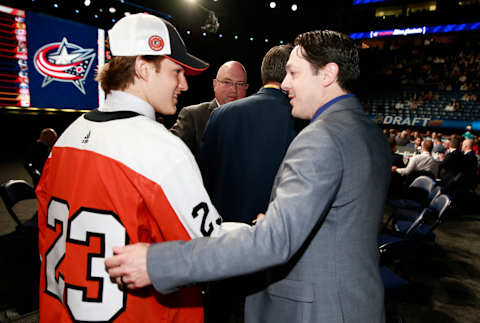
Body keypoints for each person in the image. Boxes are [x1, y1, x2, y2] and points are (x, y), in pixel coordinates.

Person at [105, 30, 391, 323]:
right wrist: (285, 220)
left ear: (328, 74)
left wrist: (157, 263)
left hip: (318, 310)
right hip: (354, 301)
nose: (286, 83)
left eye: (293, 72)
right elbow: (343, 219)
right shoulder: (366, 130)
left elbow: (273, 243)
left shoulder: (321, 138)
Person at [36, 13, 222, 323]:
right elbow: (212, 251)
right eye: (176, 71)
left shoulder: (65, 139)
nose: (184, 84)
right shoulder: (161, 147)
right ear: (143, 67)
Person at [198, 44, 298, 323]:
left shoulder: (221, 115)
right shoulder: (303, 119)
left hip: (224, 244)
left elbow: (203, 182)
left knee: (219, 310)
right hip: (278, 249)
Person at [170, 60, 248, 156]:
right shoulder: (193, 116)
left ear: (246, 87)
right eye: (227, 82)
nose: (234, 90)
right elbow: (170, 156)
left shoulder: (254, 119)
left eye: (240, 84)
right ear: (215, 84)